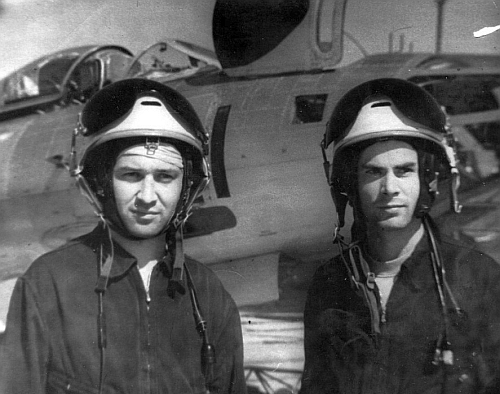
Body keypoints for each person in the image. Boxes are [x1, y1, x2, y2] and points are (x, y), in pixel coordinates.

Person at [0, 79, 246, 394]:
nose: (147, 196)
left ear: (186, 187)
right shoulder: (47, 285)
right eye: (131, 175)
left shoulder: (208, 294)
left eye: (165, 177)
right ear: (102, 182)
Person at [300, 78, 500, 394]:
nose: (390, 188)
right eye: (373, 172)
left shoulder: (478, 278)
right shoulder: (329, 284)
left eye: (404, 170)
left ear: (428, 178)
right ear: (350, 183)